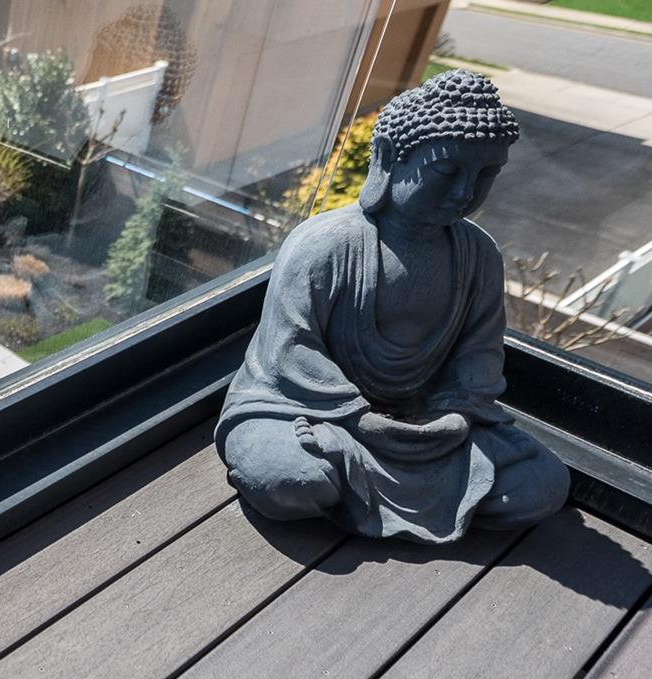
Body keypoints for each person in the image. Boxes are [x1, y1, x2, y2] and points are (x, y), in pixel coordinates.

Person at [216, 69, 569, 542]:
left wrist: (456, 412)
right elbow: (289, 350)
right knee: (290, 480)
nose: (465, 192)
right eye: (446, 172)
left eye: (485, 175)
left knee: (543, 485)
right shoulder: (324, 245)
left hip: (424, 419)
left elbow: (479, 353)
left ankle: (362, 493)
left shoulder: (478, 255)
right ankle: (339, 480)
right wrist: (357, 416)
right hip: (308, 411)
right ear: (388, 160)